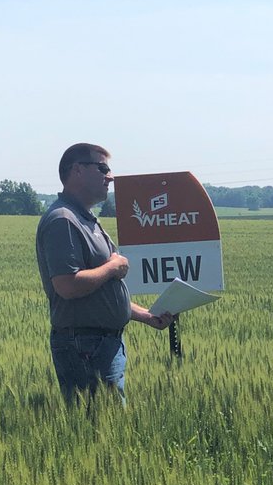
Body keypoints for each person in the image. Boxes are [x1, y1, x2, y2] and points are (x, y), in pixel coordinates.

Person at [36, 143, 173, 402]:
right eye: (102, 168)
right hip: (85, 345)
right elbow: (67, 285)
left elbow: (102, 293)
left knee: (105, 424)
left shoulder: (85, 218)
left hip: (100, 344)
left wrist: (146, 315)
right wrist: (112, 267)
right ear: (77, 170)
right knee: (98, 426)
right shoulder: (63, 220)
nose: (110, 176)